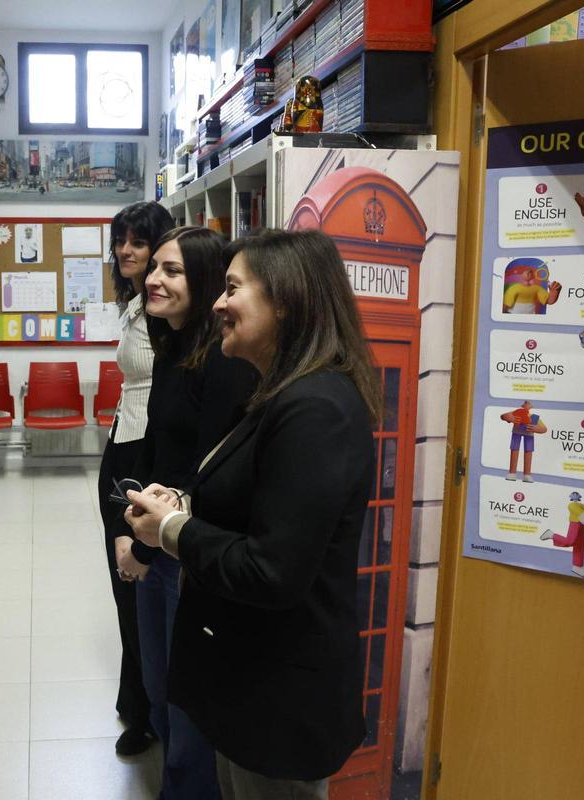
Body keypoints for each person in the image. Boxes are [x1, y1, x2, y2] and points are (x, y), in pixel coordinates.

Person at [125, 229, 380, 800]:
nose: (217, 301)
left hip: (280, 703)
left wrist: (171, 530)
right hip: (246, 686)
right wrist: (186, 505)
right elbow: (258, 511)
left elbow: (272, 570)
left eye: (233, 287)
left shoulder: (315, 409)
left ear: (284, 301)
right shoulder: (279, 392)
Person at [129, 225, 258, 798]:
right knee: (158, 688)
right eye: (153, 266)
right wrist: (133, 530)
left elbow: (204, 471)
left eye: (171, 270)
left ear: (204, 281)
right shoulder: (169, 348)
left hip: (188, 549)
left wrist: (149, 537)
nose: (153, 278)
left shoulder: (223, 360)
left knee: (186, 705)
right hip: (156, 539)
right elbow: (159, 450)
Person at [96, 200, 176, 757]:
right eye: (120, 240)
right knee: (125, 589)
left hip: (147, 457)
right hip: (121, 448)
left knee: (140, 584)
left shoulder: (165, 314)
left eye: (138, 241)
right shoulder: (134, 306)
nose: (126, 249)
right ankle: (139, 701)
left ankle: (151, 712)